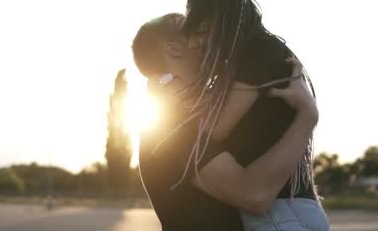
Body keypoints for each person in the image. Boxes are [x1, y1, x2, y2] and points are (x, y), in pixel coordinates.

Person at [133, 13, 328, 229]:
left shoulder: (194, 113)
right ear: (174, 49)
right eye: (194, 28)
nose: (207, 35)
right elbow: (254, 195)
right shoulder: (173, 126)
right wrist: (307, 117)